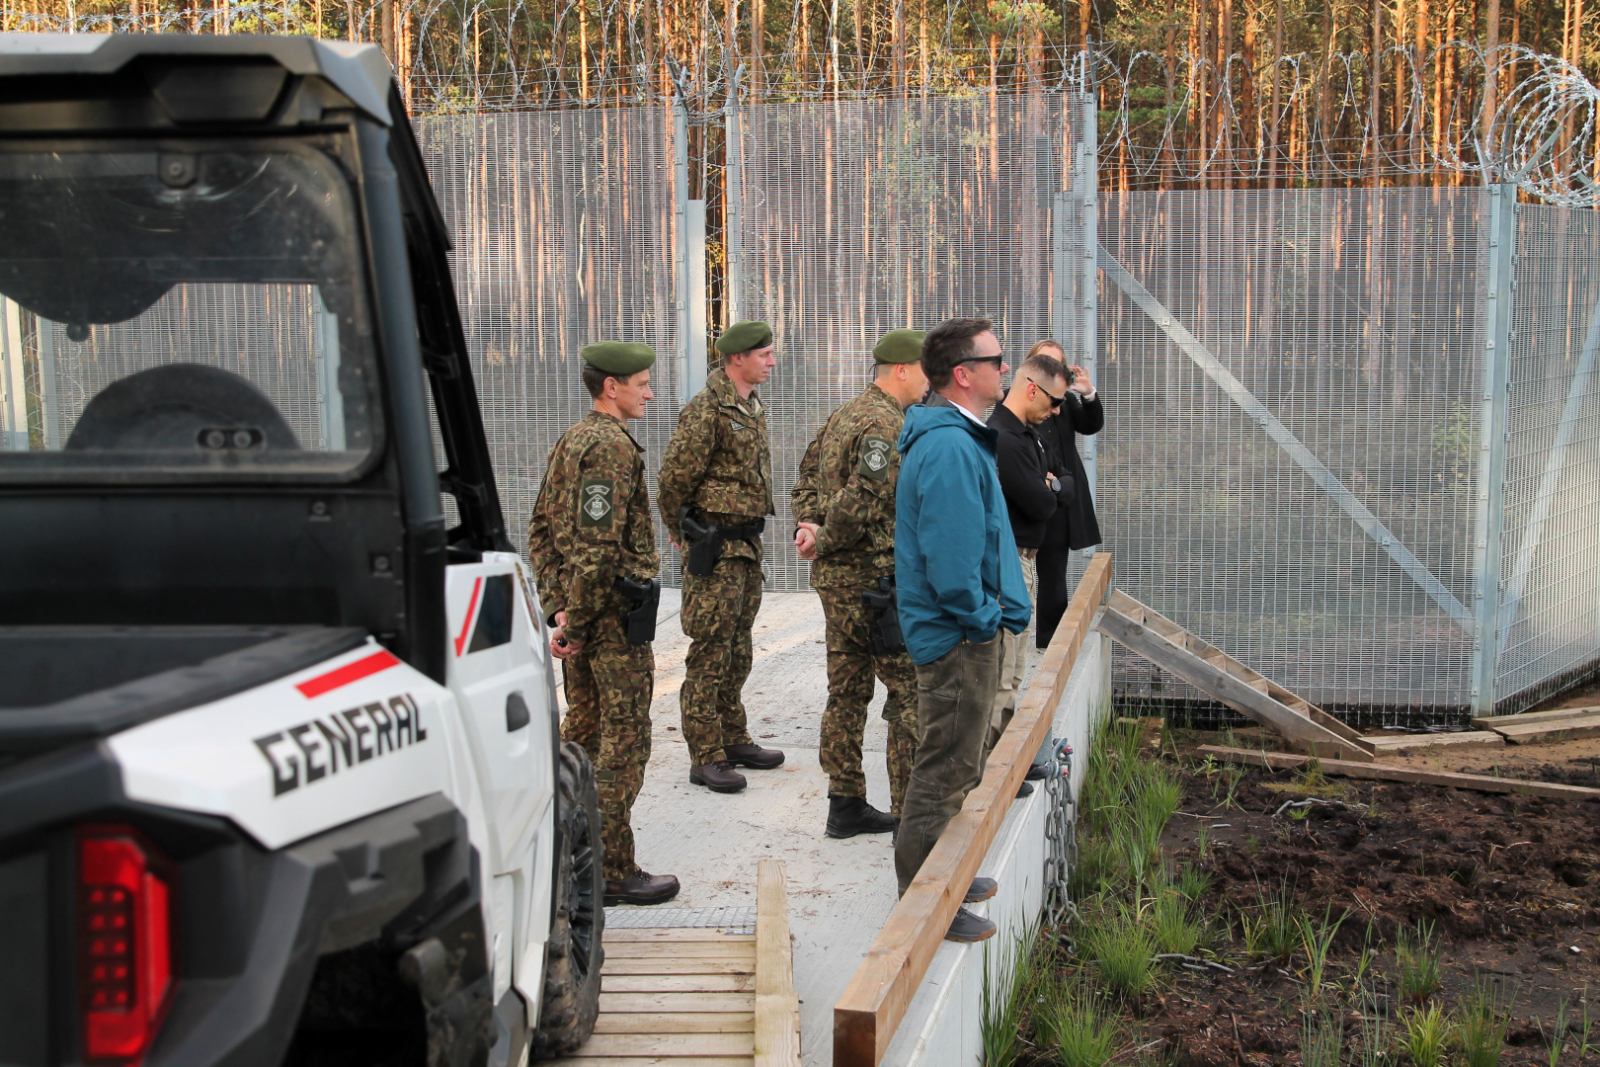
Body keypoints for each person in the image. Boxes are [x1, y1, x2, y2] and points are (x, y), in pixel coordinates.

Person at [893, 317, 1031, 943]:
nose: (1007, 369)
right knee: (945, 768)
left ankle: (942, 875)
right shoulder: (949, 446)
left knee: (959, 764)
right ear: (963, 374)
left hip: (965, 629)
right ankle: (926, 906)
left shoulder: (961, 436)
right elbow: (950, 561)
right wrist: (982, 623)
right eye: (997, 359)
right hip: (957, 636)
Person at [527, 342, 680, 906]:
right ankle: (611, 868)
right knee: (623, 743)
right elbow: (596, 549)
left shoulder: (572, 440)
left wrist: (559, 609)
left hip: (588, 616)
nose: (650, 392)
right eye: (641, 383)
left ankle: (562, 857)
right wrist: (579, 623)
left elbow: (539, 529)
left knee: (583, 739)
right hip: (611, 624)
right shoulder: (610, 449)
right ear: (610, 387)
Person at [792, 329, 927, 839]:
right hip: (872, 582)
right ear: (901, 370)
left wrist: (809, 525)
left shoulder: (846, 412)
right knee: (908, 694)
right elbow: (865, 498)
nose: (929, 382)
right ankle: (911, 822)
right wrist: (823, 536)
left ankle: (845, 802)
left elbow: (806, 472)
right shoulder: (884, 422)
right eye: (924, 371)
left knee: (846, 690)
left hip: (839, 583)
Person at [657, 320, 786, 794]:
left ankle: (733, 738)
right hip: (716, 547)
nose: (772, 362)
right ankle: (705, 754)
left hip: (745, 546)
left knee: (738, 648)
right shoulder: (708, 409)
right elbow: (673, 480)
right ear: (737, 358)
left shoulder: (749, 407)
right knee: (710, 649)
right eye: (765, 354)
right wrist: (681, 531)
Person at [986, 349, 1072, 785]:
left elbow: (1062, 480)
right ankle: (997, 768)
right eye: (1054, 401)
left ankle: (1009, 760)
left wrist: (1051, 486)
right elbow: (1041, 502)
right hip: (1010, 559)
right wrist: (1050, 489)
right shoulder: (1004, 436)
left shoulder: (1030, 434)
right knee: (1004, 669)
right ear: (1031, 388)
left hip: (1028, 559)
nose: (1057, 410)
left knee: (1018, 666)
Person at [1030, 340, 1104, 649]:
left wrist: (1087, 393)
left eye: (1055, 363)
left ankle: (1050, 641)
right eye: (1042, 362)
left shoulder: (1065, 402)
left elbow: (1090, 424)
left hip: (1060, 494)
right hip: (1026, 491)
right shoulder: (1015, 399)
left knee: (1053, 569)